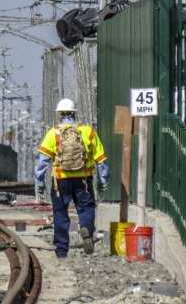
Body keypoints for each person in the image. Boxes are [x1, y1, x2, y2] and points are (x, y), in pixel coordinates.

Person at [34, 98, 109, 259]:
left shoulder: (53, 133)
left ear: (59, 114)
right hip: (84, 180)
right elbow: (101, 161)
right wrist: (103, 181)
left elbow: (42, 163)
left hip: (61, 181)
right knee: (86, 208)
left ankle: (61, 250)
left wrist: (39, 183)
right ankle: (86, 229)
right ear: (75, 113)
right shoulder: (88, 131)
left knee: (60, 212)